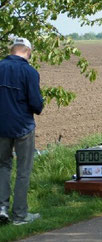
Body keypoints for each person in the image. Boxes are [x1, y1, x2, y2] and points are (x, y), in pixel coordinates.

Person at [0, 37, 44, 225]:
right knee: (23, 170)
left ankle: (2, 209)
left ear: (12, 50)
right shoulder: (29, 71)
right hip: (22, 127)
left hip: (1, 127)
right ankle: (19, 215)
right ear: (28, 51)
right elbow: (36, 104)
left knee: (2, 166)